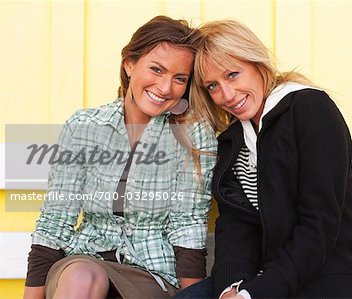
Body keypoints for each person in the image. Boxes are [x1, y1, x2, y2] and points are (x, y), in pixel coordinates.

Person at [23, 15, 217, 299]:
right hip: (83, 262)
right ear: (129, 64)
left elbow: (187, 224)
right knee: (82, 276)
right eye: (156, 69)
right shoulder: (84, 126)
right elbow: (56, 220)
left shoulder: (191, 135)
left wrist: (194, 296)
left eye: (179, 79)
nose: (165, 88)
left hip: (151, 273)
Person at [179, 19, 352, 299]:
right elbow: (236, 226)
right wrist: (232, 287)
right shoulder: (233, 140)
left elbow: (320, 223)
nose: (226, 95)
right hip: (257, 281)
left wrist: (256, 293)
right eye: (212, 86)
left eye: (232, 75)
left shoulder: (311, 110)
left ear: (257, 63)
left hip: (317, 278)